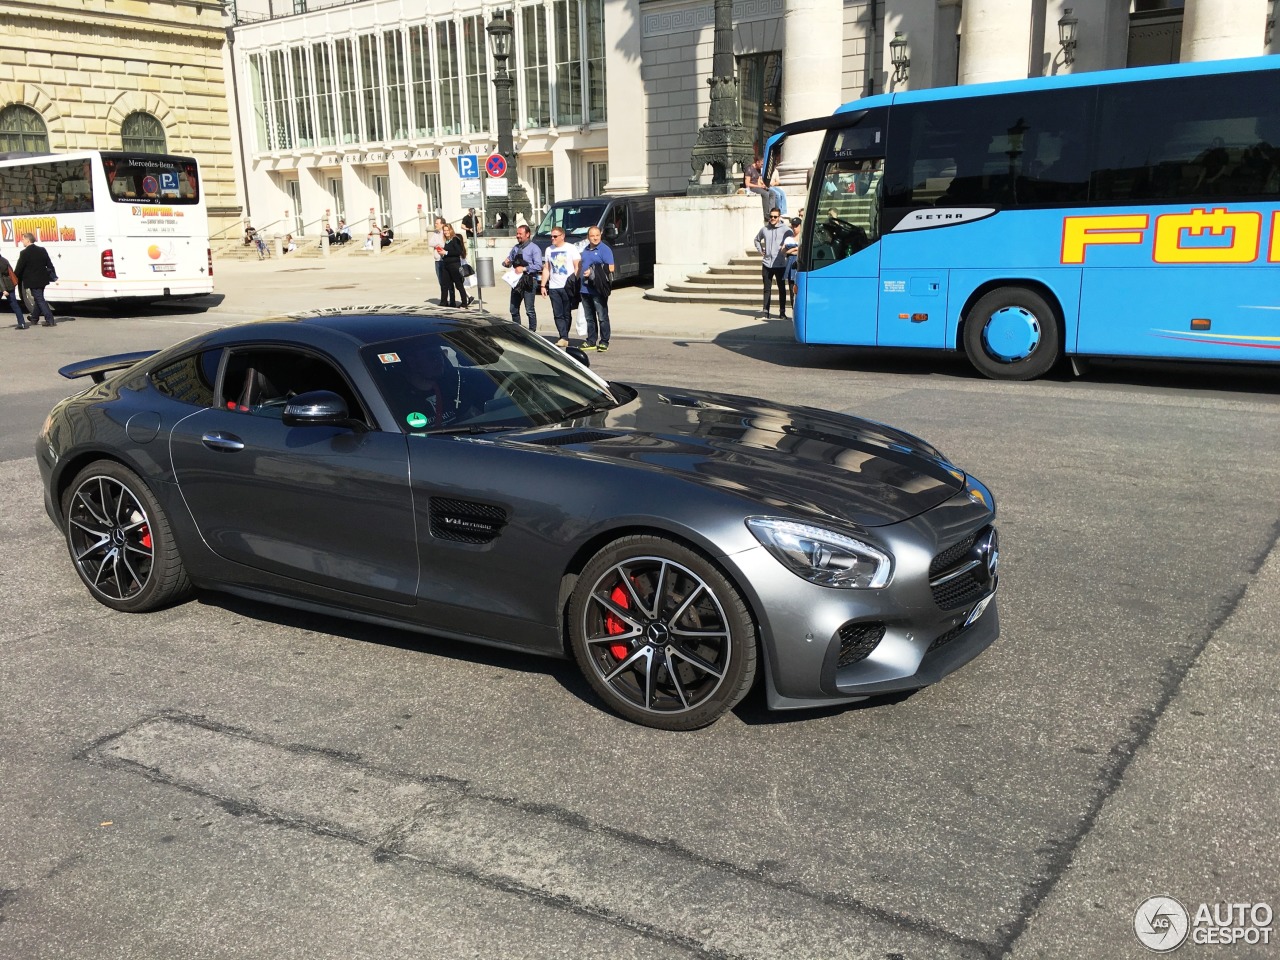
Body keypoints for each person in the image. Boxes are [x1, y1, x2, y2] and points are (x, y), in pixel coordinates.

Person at [540, 226, 581, 346]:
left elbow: (577, 266)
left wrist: (574, 281)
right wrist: (543, 285)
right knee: (557, 313)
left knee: (566, 313)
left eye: (555, 236)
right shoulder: (549, 250)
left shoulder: (571, 248)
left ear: (562, 236)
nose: (552, 238)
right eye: (551, 236)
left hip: (567, 286)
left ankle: (565, 335)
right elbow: (547, 268)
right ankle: (563, 336)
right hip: (554, 286)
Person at [577, 225, 615, 352]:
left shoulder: (605, 249)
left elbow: (611, 268)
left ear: (601, 235)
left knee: (602, 316)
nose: (595, 238)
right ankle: (591, 340)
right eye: (592, 236)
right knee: (589, 318)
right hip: (584, 289)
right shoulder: (585, 250)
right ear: (588, 237)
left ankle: (604, 341)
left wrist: (593, 271)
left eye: (597, 235)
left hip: (598, 289)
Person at [753, 207, 792, 321]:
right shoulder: (764, 229)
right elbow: (756, 239)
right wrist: (761, 250)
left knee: (781, 289)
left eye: (775, 216)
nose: (773, 219)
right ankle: (765, 312)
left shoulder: (786, 230)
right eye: (771, 216)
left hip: (780, 264)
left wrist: (787, 252)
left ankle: (782, 312)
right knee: (767, 288)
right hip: (767, 264)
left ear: (779, 217)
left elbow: (793, 241)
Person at [503, 223, 542, 331]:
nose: (518, 236)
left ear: (528, 234)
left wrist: (524, 269)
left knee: (529, 310)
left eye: (520, 234)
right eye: (517, 233)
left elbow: (538, 265)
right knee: (513, 309)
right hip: (516, 281)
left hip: (529, 280)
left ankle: (532, 331)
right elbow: (509, 261)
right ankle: (518, 331)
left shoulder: (534, 248)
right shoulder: (515, 248)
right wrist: (506, 263)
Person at [14, 232, 58, 327]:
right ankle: (34, 318)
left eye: (23, 239)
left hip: (32, 280)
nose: (22, 241)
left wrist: (13, 278)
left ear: (28, 240)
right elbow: (49, 264)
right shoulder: (42, 250)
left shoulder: (24, 253)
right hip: (43, 279)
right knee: (39, 298)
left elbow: (19, 268)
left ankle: (49, 319)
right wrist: (53, 275)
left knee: (39, 299)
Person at [437, 223, 472, 307]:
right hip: (446, 265)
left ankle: (464, 303)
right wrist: (442, 253)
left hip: (454, 265)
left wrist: (446, 252)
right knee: (445, 284)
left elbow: (458, 252)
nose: (445, 232)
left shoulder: (455, 239)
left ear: (451, 230)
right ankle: (443, 302)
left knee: (459, 284)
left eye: (447, 230)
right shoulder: (447, 240)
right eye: (444, 231)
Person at [744, 155, 787, 219]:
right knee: (765, 194)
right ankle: (766, 214)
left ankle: (771, 211)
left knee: (773, 193)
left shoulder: (758, 170)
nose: (762, 166)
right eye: (761, 164)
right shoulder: (749, 169)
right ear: (757, 162)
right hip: (752, 188)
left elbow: (760, 180)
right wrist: (759, 186)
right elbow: (747, 183)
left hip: (758, 186)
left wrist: (763, 185)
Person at [1, 250, 27, 329]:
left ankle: (21, 323)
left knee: (14, 304)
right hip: (9, 284)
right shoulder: (4, 260)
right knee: (14, 304)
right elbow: (10, 271)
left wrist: (4, 290)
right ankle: (22, 323)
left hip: (3, 286)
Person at [783, 216, 802, 302]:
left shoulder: (803, 238)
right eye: (793, 226)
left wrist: (792, 250)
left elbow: (802, 251)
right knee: (792, 290)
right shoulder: (788, 239)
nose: (794, 228)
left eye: (796, 226)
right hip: (790, 266)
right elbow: (784, 251)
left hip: (799, 265)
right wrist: (795, 249)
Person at [427, 216, 446, 295]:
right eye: (435, 223)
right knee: (440, 280)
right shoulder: (435, 233)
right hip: (437, 259)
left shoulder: (445, 233)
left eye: (437, 223)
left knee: (447, 281)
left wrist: (439, 244)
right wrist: (437, 244)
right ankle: (443, 299)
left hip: (444, 259)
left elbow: (444, 244)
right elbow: (430, 243)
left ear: (442, 224)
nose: (435, 225)